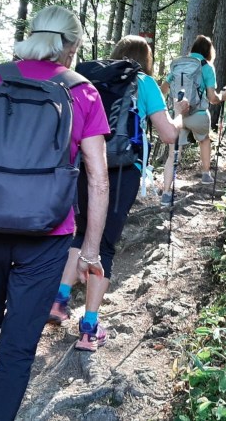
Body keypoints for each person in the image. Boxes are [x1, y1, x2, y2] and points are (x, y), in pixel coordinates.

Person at [0, 6, 110, 421]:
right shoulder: (83, 91)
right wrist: (90, 250)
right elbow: (98, 179)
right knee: (18, 344)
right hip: (48, 235)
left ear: (33, 34)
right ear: (72, 45)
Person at [48, 35, 187, 352]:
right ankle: (89, 330)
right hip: (123, 170)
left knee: (81, 232)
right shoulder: (144, 82)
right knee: (105, 245)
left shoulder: (88, 79)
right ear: (145, 59)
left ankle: (58, 300)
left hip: (85, 164)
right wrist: (179, 115)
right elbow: (168, 134)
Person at [160, 35, 226, 205]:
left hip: (178, 115)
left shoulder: (178, 64)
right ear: (209, 51)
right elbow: (212, 98)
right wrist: (223, 96)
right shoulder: (206, 66)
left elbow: (163, 89)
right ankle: (206, 174)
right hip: (198, 114)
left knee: (172, 155)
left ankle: (166, 193)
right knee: (204, 139)